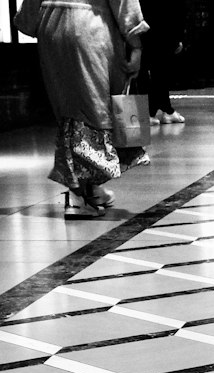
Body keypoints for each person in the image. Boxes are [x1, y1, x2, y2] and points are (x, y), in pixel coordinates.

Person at [16, 0, 150, 219]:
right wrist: (136, 42)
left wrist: (29, 21)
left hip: (52, 27)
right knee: (93, 108)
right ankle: (76, 195)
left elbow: (28, 12)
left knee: (70, 107)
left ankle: (90, 188)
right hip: (89, 25)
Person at [140, 0, 187, 125]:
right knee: (161, 69)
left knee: (148, 69)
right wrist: (178, 36)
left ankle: (156, 109)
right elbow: (178, 8)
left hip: (144, 26)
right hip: (165, 28)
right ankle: (160, 109)